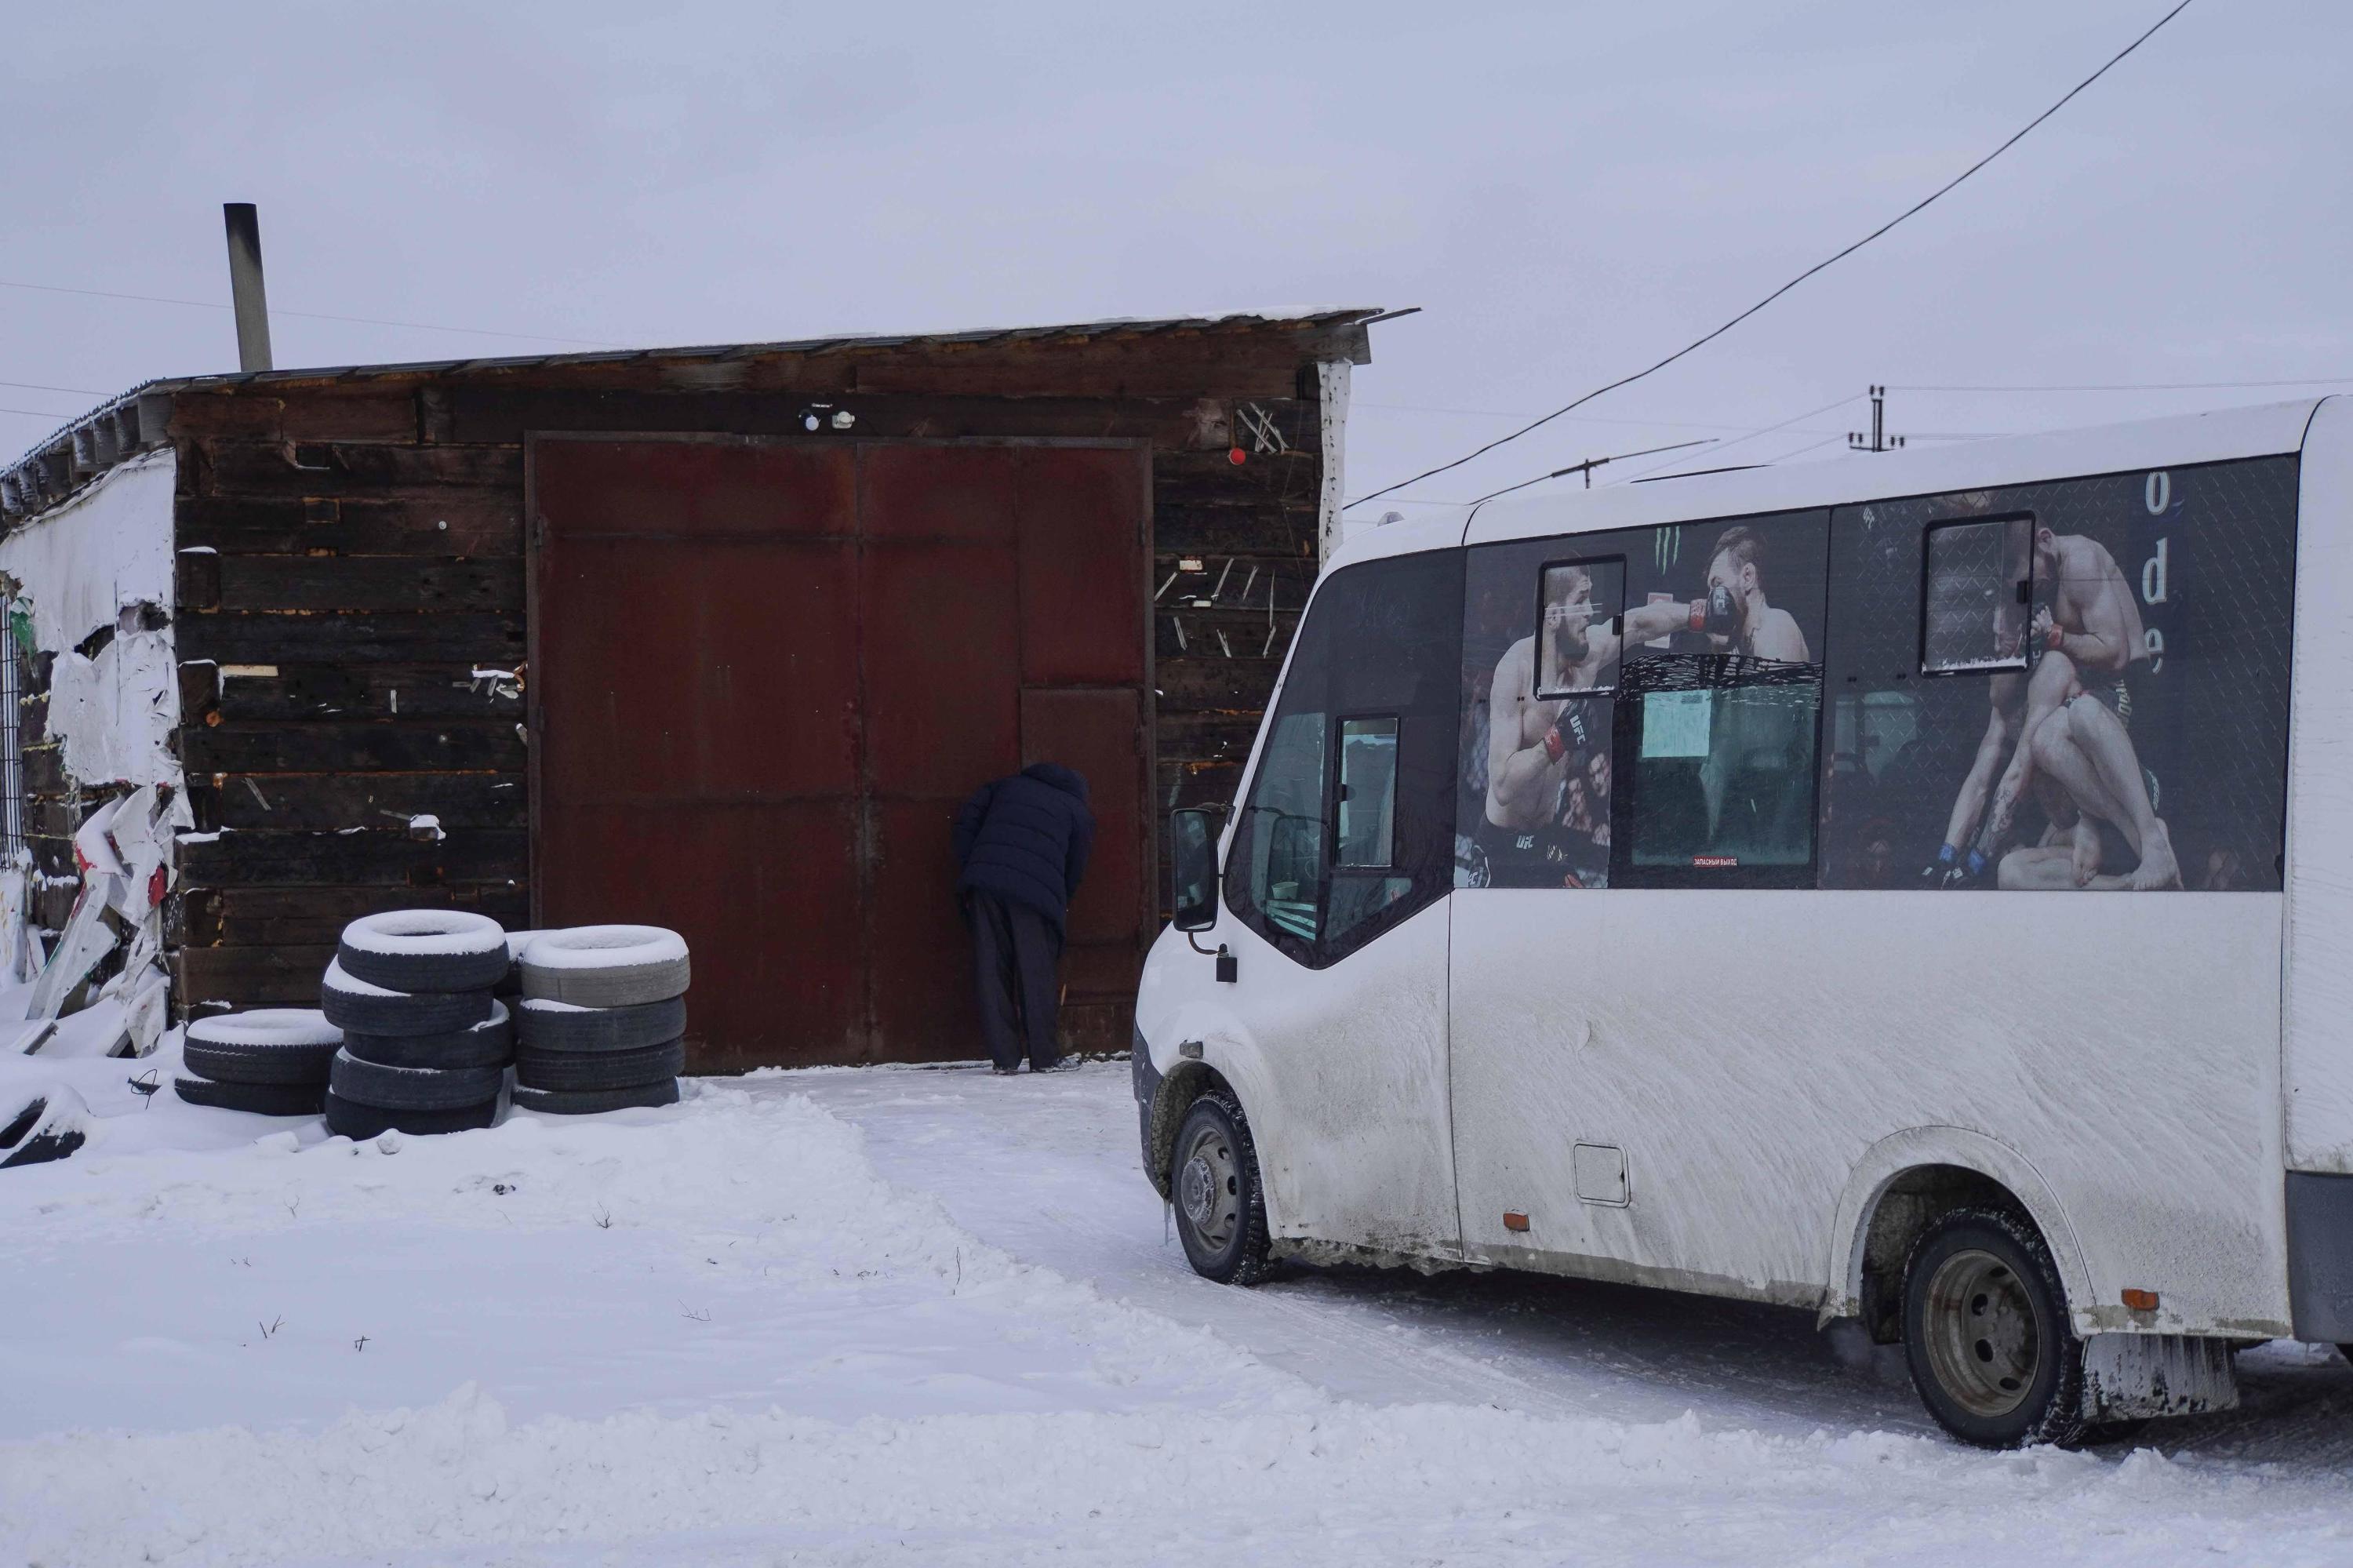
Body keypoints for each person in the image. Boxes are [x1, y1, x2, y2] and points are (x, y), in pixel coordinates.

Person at [952, 763, 1094, 1073]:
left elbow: (965, 823)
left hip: (984, 884)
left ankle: (1004, 1060)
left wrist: (974, 867)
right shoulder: (1076, 810)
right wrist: (1059, 900)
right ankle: (1045, 1057)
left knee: (991, 969)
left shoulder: (1005, 786)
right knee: (1036, 973)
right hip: (1036, 894)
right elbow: (1075, 868)